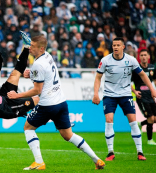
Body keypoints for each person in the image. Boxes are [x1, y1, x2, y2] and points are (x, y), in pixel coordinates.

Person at [7, 33, 105, 170]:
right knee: (68, 135)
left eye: (33, 47)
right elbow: (44, 75)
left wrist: (17, 95)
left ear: (41, 49)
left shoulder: (37, 64)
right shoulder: (47, 56)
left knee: (28, 128)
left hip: (47, 105)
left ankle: (39, 162)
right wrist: (31, 74)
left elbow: (37, 90)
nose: (30, 49)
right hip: (61, 103)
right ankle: (97, 160)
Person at [93, 37, 156, 161]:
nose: (115, 47)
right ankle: (110, 152)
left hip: (125, 95)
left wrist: (153, 89)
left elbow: (142, 74)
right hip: (109, 95)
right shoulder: (105, 60)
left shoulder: (130, 60)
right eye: (113, 45)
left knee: (132, 121)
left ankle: (140, 152)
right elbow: (98, 77)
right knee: (109, 120)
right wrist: (96, 94)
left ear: (123, 47)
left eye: (118, 45)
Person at [131, 49, 156, 145]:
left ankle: (141, 124)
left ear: (149, 56)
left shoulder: (152, 67)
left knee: (154, 118)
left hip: (150, 95)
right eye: (141, 55)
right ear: (139, 57)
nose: (143, 57)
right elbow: (128, 82)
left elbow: (154, 80)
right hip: (141, 96)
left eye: (145, 55)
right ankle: (150, 140)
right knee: (150, 118)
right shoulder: (136, 69)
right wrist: (134, 91)